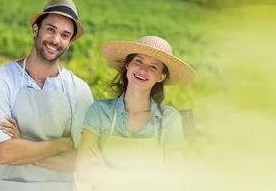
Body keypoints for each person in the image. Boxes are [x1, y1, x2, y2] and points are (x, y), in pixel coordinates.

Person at [0, 0, 93, 191]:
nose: (56, 40)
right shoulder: (1, 80)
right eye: (51, 29)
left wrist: (21, 145)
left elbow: (84, 162)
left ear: (69, 42)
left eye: (65, 35)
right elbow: (5, 153)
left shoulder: (79, 90)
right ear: (36, 29)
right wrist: (64, 144)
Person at [76, 35, 195, 190]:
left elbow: (173, 178)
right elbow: (84, 172)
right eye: (138, 61)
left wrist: (113, 177)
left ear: (161, 76)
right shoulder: (99, 111)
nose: (143, 70)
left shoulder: (169, 119)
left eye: (153, 67)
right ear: (128, 65)